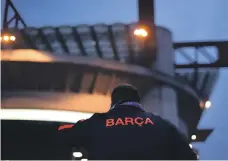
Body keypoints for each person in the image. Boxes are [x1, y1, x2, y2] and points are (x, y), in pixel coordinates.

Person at [58, 84, 197, 160]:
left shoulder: (97, 122)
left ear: (113, 103)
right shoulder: (161, 124)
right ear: (137, 102)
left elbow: (63, 134)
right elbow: (189, 156)